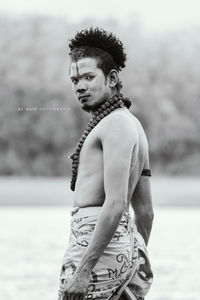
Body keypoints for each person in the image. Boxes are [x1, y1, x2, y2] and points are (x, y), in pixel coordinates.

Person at [58, 27, 154, 300]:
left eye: (89, 77)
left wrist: (84, 271)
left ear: (112, 78)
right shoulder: (130, 124)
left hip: (96, 251)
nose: (80, 86)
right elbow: (146, 213)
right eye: (75, 79)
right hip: (116, 250)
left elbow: (116, 204)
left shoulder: (115, 125)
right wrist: (131, 257)